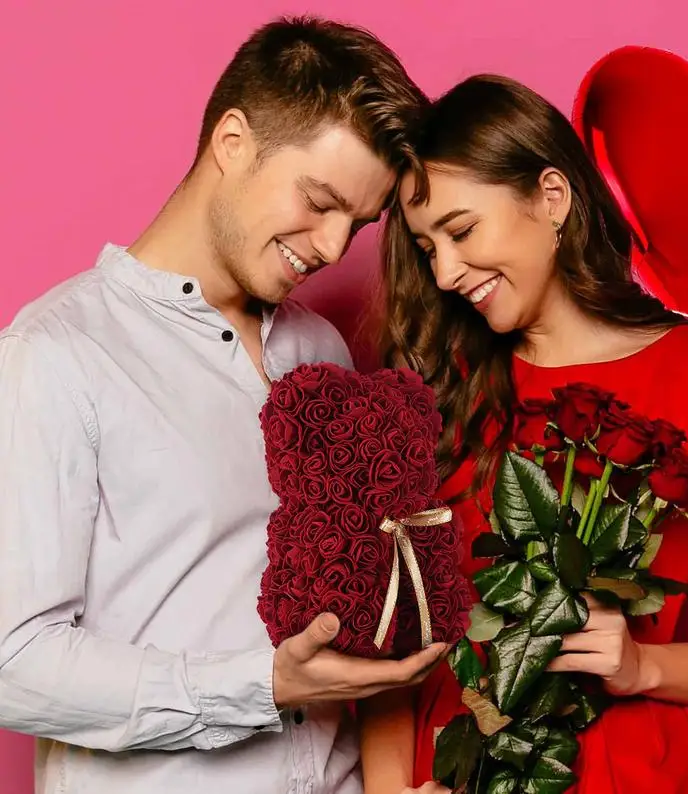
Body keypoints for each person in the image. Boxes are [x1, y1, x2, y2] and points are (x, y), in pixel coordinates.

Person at [0, 16, 449, 794]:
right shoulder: (57, 354)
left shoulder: (322, 351)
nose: (333, 248)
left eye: (357, 224)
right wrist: (258, 686)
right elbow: (13, 662)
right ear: (233, 141)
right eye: (319, 200)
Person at [361, 74, 688, 793]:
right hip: (457, 767)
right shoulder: (434, 386)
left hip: (638, 767)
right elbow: (398, 629)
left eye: (461, 231)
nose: (445, 273)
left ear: (551, 197)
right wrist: (386, 790)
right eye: (427, 247)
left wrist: (644, 665)